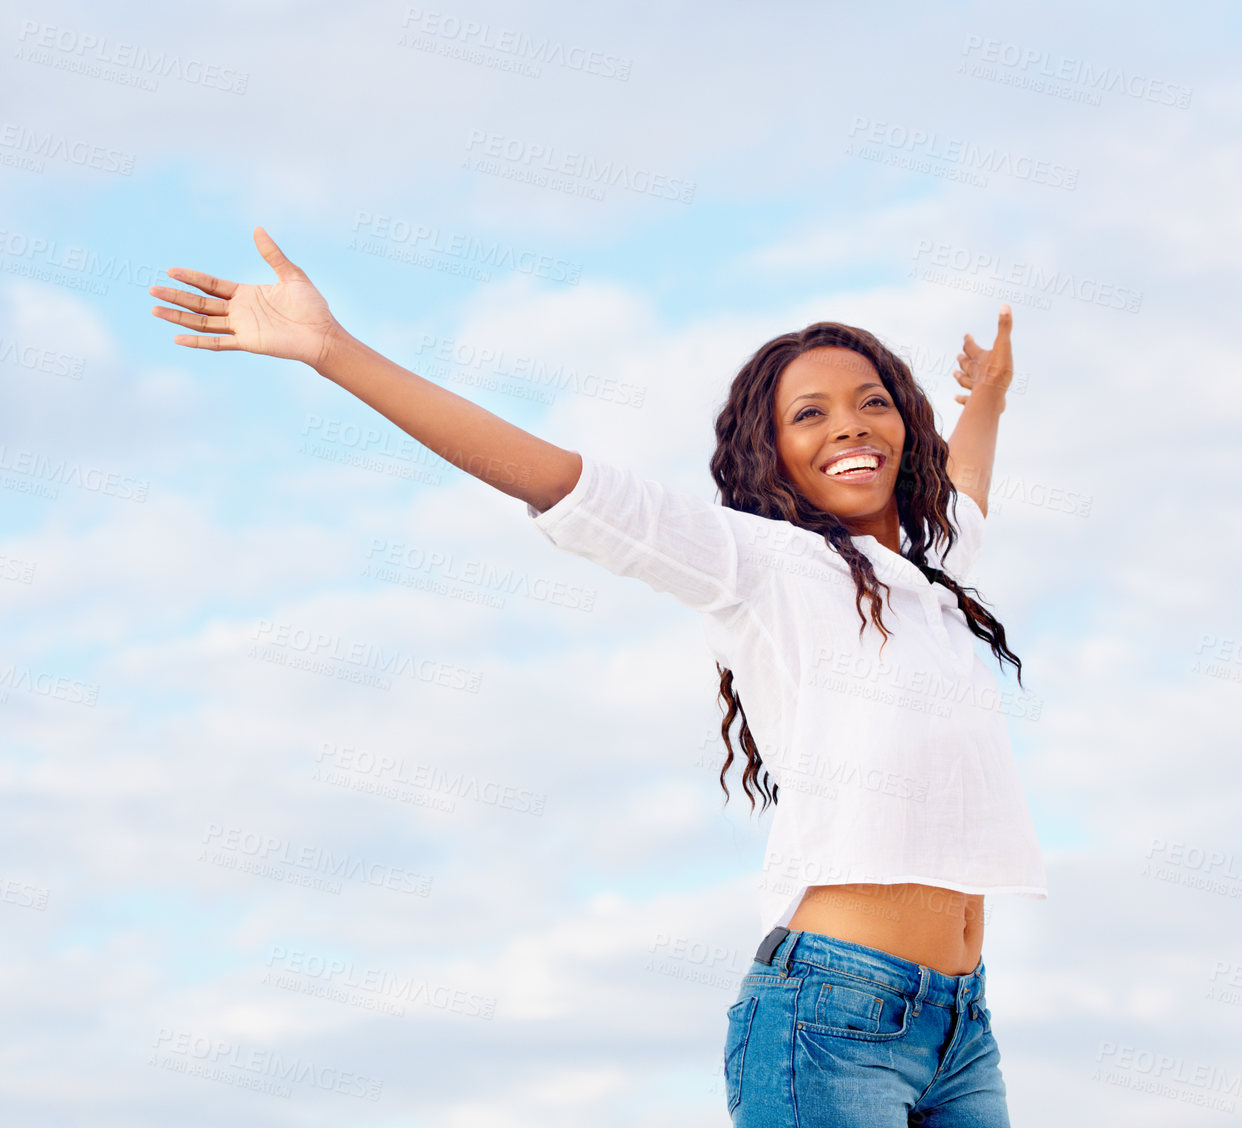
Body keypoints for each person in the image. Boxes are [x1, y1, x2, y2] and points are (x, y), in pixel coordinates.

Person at [150, 227, 1048, 1126]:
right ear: (770, 452)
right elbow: (553, 477)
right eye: (809, 414)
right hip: (830, 1018)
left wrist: (992, 399)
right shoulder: (760, 563)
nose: (850, 425)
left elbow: (964, 487)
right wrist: (334, 352)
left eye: (872, 402)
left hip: (961, 1031)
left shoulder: (936, 586)